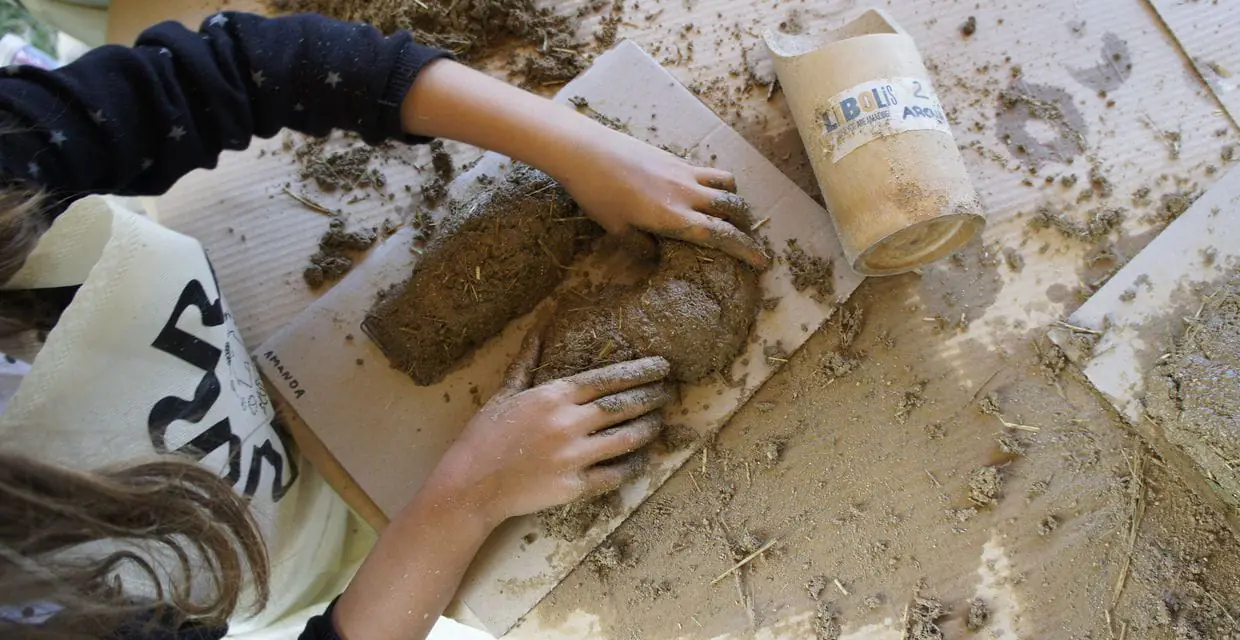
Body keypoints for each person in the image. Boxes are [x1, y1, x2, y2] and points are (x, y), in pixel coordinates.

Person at [0, 11, 765, 639]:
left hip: (266, 382)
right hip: (313, 586)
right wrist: (467, 496)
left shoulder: (12, 153)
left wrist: (578, 146)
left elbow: (248, 66)